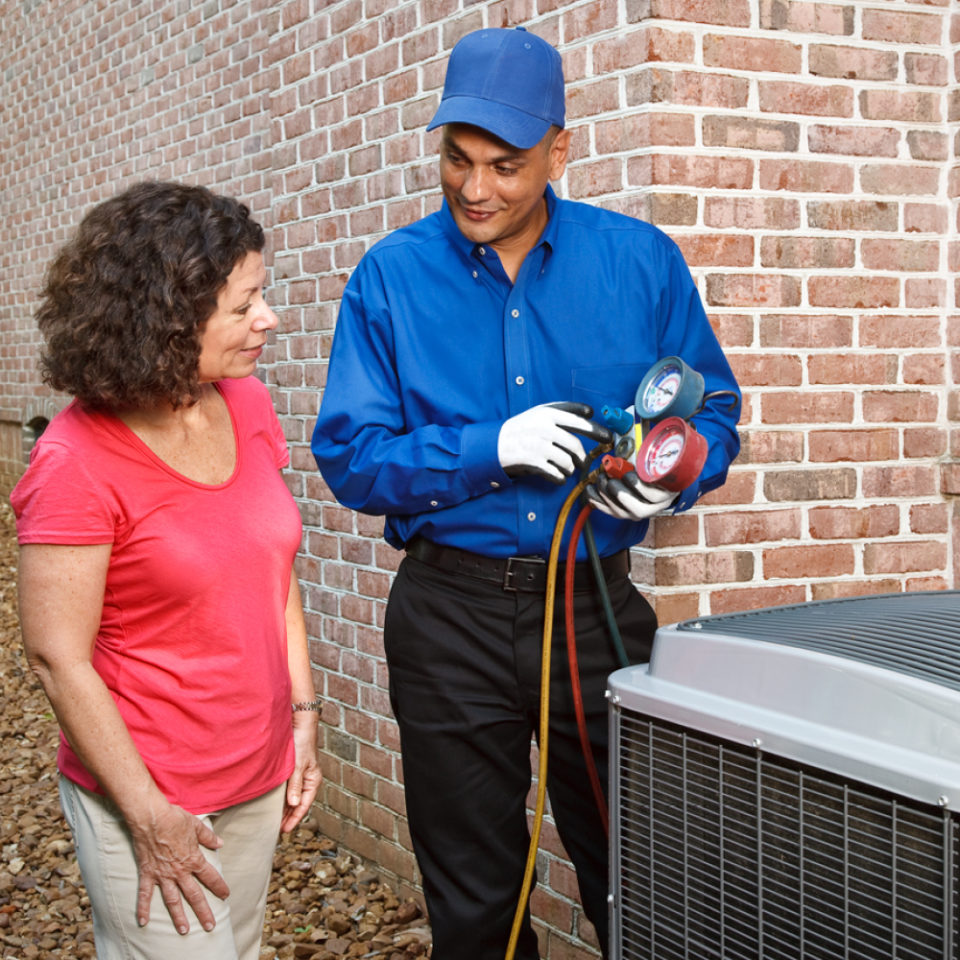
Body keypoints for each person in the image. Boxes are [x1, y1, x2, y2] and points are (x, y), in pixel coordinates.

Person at [312, 26, 740, 960]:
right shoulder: (390, 278)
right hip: (448, 617)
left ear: (560, 150)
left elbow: (714, 411)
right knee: (475, 903)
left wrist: (669, 478)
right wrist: (487, 448)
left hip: (596, 611)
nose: (475, 189)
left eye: (505, 166)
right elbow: (349, 456)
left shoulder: (640, 262)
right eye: (457, 161)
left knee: (642, 874)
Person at [12, 181, 322, 960]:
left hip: (256, 771)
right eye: (244, 304)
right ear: (168, 317)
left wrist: (304, 720)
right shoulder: (75, 463)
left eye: (266, 295)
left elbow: (272, 569)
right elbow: (58, 657)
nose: (268, 319)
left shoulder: (245, 402)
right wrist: (148, 815)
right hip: (151, 793)